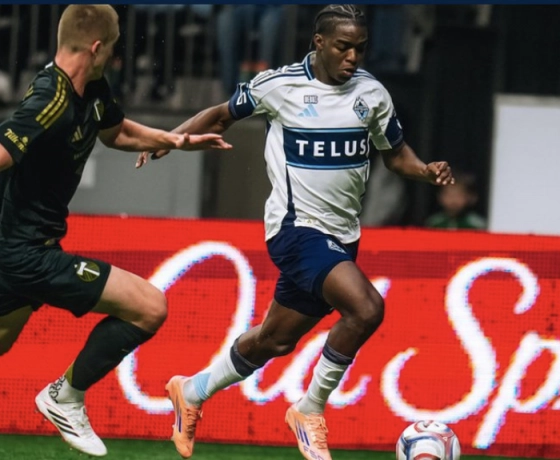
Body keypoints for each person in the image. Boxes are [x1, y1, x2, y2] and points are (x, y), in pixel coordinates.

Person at [136, 5, 454, 460]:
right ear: (319, 43)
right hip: (295, 229)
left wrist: (425, 170)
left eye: (360, 48)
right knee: (366, 309)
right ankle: (309, 409)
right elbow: (221, 115)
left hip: (342, 238)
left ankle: (191, 391)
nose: (352, 57)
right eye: (343, 47)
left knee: (275, 339)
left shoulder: (372, 94)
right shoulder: (279, 86)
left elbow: (396, 154)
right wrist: (168, 139)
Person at [0, 5, 230, 457]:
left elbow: (116, 133)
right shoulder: (49, 100)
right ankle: (65, 397)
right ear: (97, 46)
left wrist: (176, 141)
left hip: (23, 252)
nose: (117, 52)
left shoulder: (92, 89)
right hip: (25, 255)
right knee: (149, 307)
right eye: (114, 44)